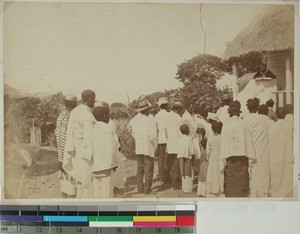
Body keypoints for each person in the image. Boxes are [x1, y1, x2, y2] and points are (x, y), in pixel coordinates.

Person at [63, 89, 96, 198]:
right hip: (86, 154)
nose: (94, 102)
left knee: (80, 183)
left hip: (76, 153)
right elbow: (90, 137)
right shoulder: (87, 114)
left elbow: (69, 134)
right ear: (91, 98)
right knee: (87, 184)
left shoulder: (74, 112)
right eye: (94, 99)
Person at [220, 101, 256, 197]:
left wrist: (224, 158)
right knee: (243, 177)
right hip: (242, 157)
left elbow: (223, 143)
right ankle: (242, 195)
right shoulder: (244, 124)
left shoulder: (226, 124)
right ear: (239, 110)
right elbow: (249, 142)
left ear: (230, 111)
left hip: (230, 157)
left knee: (231, 178)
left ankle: (232, 195)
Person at [90, 101, 118, 198]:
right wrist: (114, 164)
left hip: (94, 168)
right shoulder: (108, 129)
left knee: (96, 193)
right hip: (106, 168)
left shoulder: (92, 129)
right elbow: (112, 149)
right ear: (105, 116)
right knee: (107, 193)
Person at [244, 98, 270, 197]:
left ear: (247, 108)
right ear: (257, 108)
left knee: (251, 172)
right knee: (260, 171)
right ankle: (261, 193)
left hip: (249, 149)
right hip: (261, 148)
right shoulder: (263, 119)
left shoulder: (244, 119)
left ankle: (252, 193)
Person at [130, 100, 157, 194]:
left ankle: (140, 188)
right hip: (148, 146)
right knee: (148, 168)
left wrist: (137, 138)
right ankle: (147, 189)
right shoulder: (150, 119)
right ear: (147, 109)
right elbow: (153, 136)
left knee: (140, 168)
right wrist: (154, 146)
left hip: (139, 146)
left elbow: (131, 131)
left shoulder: (134, 119)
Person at [55, 94, 78, 198]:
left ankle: (64, 202)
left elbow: (58, 135)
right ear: (74, 104)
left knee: (64, 181)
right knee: (71, 179)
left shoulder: (61, 115)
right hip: (69, 153)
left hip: (61, 153)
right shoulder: (73, 115)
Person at [269, 107, 293, 197]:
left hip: (275, 155)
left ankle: (276, 192)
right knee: (286, 174)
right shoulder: (289, 126)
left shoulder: (272, 126)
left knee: (276, 174)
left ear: (276, 114)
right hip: (287, 155)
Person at [165, 100, 183, 189]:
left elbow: (165, 131)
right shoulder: (179, 118)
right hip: (177, 143)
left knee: (171, 164)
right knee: (176, 164)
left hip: (169, 143)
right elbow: (181, 133)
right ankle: (175, 183)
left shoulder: (167, 117)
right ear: (178, 109)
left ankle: (171, 180)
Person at [206, 121, 224, 198]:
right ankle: (221, 189)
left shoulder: (210, 139)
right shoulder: (223, 138)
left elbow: (208, 151)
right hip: (221, 156)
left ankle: (213, 188)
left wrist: (208, 158)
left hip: (213, 157)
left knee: (213, 173)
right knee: (221, 173)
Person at [154, 97, 169, 182]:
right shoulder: (169, 115)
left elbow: (155, 128)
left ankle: (161, 174)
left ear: (159, 106)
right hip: (167, 138)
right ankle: (167, 175)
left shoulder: (157, 116)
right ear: (166, 105)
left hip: (160, 138)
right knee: (167, 157)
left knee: (161, 158)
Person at [177, 124, 195, 193]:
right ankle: (188, 189)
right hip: (187, 157)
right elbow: (191, 150)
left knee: (183, 172)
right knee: (188, 173)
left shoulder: (180, 139)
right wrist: (193, 157)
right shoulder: (188, 139)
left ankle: (184, 188)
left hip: (181, 157)